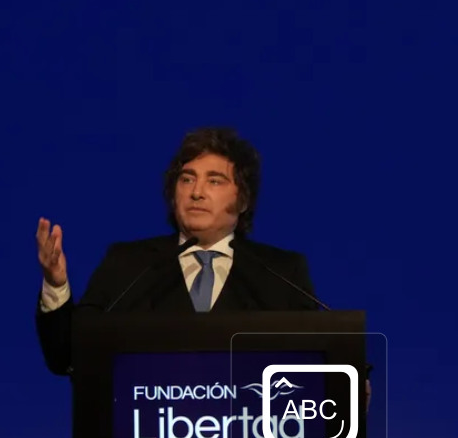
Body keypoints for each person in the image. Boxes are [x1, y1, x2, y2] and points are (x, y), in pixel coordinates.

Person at [34, 127, 320, 377]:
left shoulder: (282, 272)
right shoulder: (128, 264)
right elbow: (67, 357)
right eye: (187, 179)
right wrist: (55, 284)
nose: (197, 192)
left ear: (243, 199)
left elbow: (315, 364)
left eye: (214, 181)